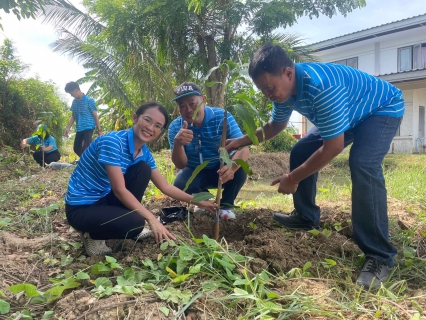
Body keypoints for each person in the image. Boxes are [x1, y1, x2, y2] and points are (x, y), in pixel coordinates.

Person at [225, 44, 404, 290]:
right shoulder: (285, 92)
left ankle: (380, 256)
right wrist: (241, 140)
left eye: (269, 88)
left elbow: (333, 148)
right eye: (263, 90)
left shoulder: (321, 88)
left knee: (363, 165)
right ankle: (305, 217)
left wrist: (293, 177)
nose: (268, 95)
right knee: (301, 149)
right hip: (350, 113)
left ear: (288, 73)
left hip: (380, 109)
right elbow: (275, 126)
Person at [64, 101, 217, 256]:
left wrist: (198, 200)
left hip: (103, 199)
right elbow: (119, 190)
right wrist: (152, 219)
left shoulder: (143, 153)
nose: (151, 128)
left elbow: (165, 187)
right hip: (81, 209)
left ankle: (114, 223)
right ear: (135, 118)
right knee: (136, 223)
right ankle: (92, 235)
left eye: (158, 126)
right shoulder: (112, 142)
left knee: (142, 168)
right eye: (147, 120)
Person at [168, 82, 250, 220]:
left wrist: (232, 169)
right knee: (180, 183)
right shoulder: (176, 127)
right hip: (195, 170)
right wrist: (178, 144)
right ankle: (203, 202)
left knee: (240, 169)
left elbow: (243, 148)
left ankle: (226, 206)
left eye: (192, 103)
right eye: (182, 106)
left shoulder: (222, 117)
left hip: (221, 169)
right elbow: (181, 165)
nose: (188, 110)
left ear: (204, 100)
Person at [64, 81, 102, 157]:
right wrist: (68, 128)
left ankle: (86, 163)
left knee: (86, 149)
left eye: (71, 94)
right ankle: (87, 160)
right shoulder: (74, 102)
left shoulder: (89, 100)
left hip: (88, 128)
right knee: (76, 148)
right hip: (79, 129)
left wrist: (99, 130)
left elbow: (95, 115)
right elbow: (73, 116)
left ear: (76, 90)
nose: (71, 96)